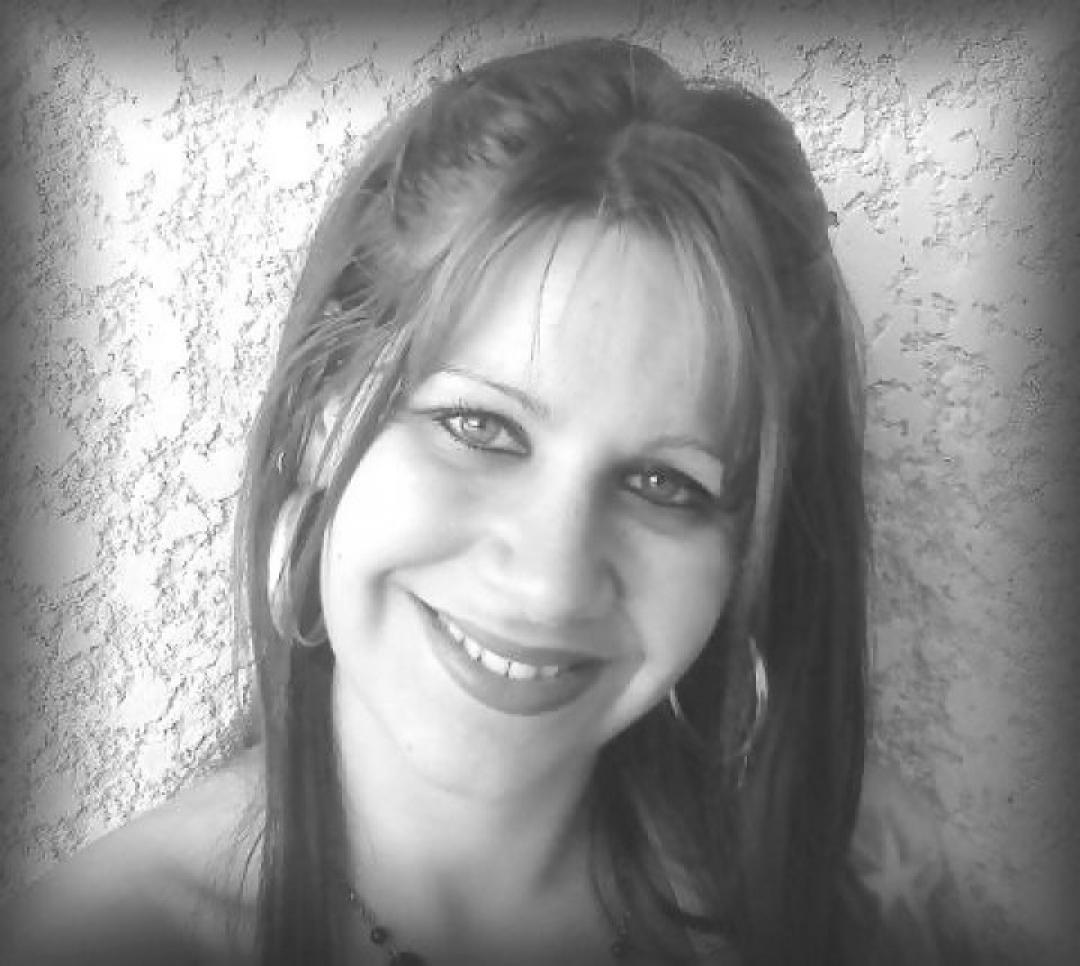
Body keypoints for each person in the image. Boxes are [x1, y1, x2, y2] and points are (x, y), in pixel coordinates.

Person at [1, 38, 980, 966]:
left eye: (664, 484)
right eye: (480, 427)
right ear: (321, 414)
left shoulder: (867, 912)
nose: (549, 582)